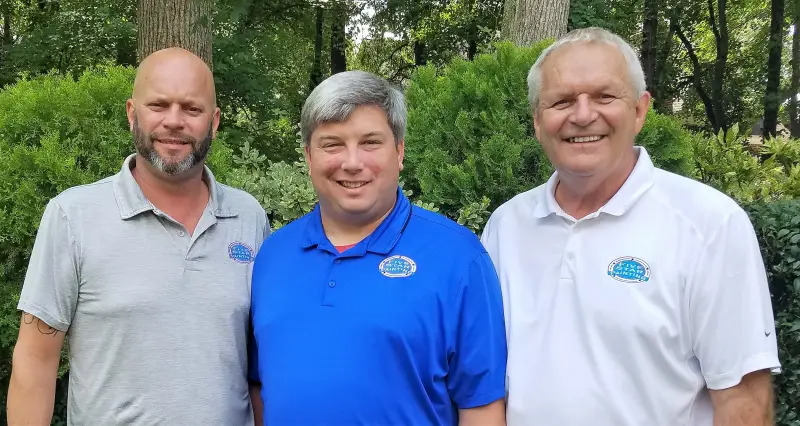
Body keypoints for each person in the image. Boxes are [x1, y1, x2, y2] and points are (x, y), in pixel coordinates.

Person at [480, 27, 781, 425]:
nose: (583, 115)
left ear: (640, 110)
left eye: (604, 96)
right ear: (537, 121)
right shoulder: (506, 226)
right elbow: (485, 381)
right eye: (562, 101)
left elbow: (743, 398)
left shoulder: (709, 224)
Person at [7, 47, 269, 425]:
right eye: (158, 105)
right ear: (133, 113)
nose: (174, 122)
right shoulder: (72, 217)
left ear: (214, 122)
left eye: (191, 109)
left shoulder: (248, 218)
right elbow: (35, 360)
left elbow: (261, 364)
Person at [248, 70, 507, 426]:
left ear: (399, 151)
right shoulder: (272, 256)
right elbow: (261, 386)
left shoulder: (458, 258)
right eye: (332, 144)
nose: (352, 162)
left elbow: (482, 407)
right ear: (309, 156)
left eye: (370, 142)